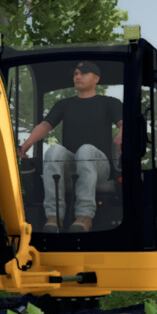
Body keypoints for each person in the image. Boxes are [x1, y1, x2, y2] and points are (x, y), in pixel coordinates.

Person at [16, 60, 123, 232]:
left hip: (100, 166)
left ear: (96, 78)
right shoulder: (64, 105)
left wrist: (121, 133)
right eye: (75, 74)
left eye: (83, 73)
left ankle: (84, 216)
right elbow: (45, 126)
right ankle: (54, 216)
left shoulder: (109, 102)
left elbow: (122, 123)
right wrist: (27, 144)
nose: (77, 76)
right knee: (54, 151)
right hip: (73, 165)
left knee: (86, 150)